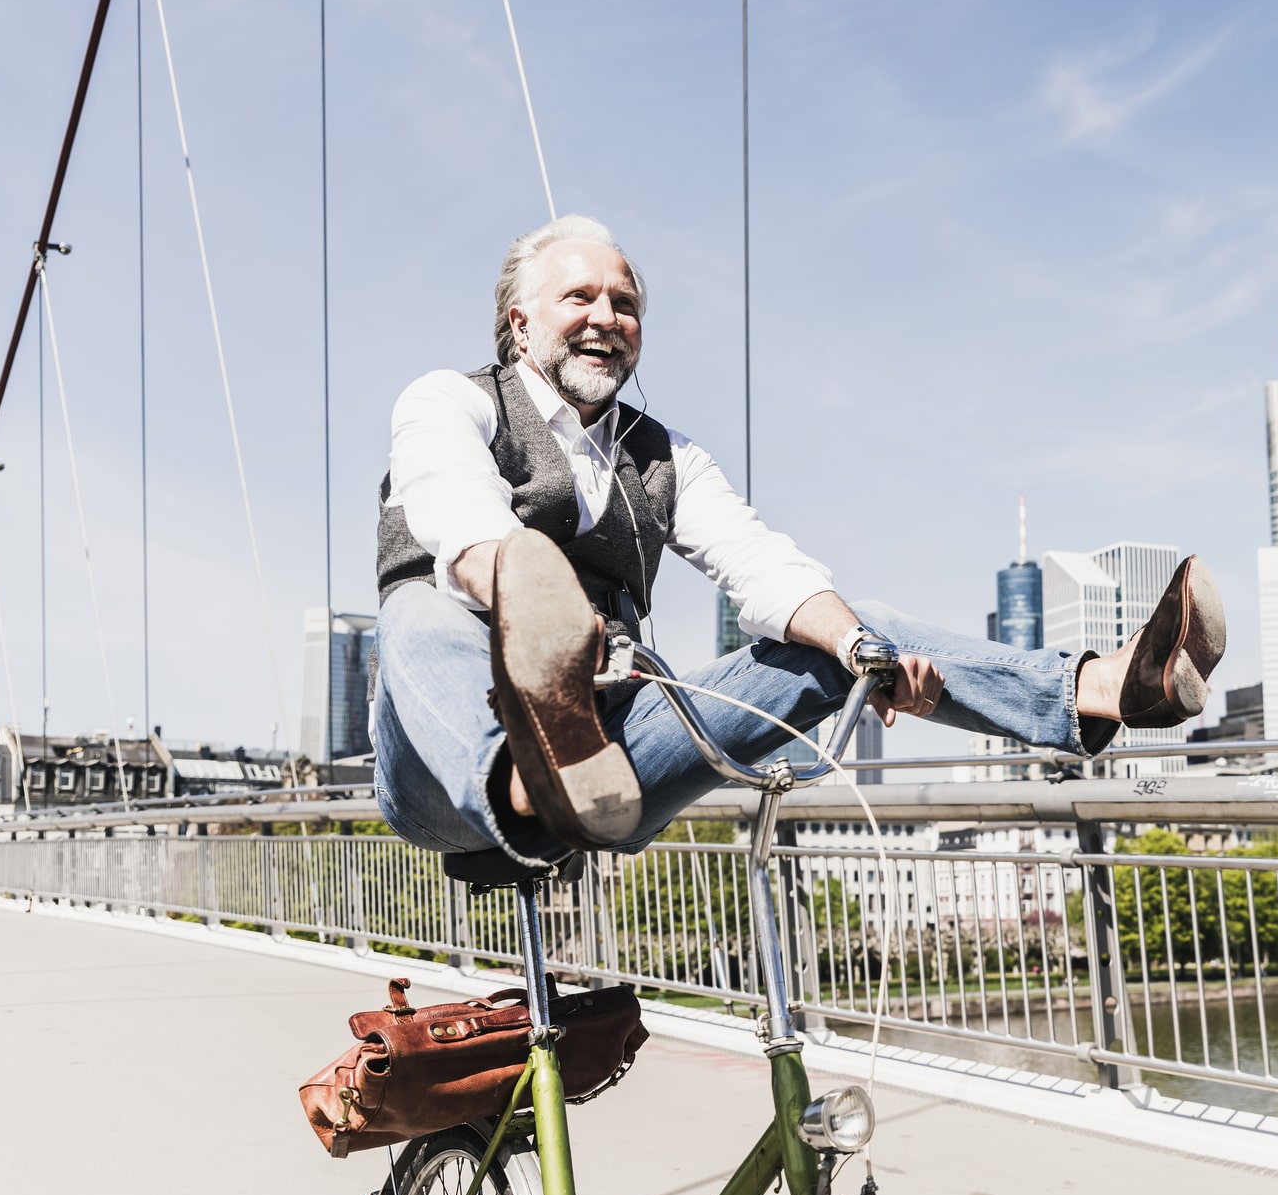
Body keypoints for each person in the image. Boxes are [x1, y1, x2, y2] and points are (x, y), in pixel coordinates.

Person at [372, 214, 1224, 866]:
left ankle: (1107, 690)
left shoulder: (667, 457)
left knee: (857, 627)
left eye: (624, 304)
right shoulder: (452, 402)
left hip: (616, 754)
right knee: (417, 612)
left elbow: (758, 564)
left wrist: (862, 653)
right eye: (580, 298)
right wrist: (526, 594)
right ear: (520, 325)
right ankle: (527, 775)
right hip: (446, 770)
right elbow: (456, 509)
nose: (608, 316)